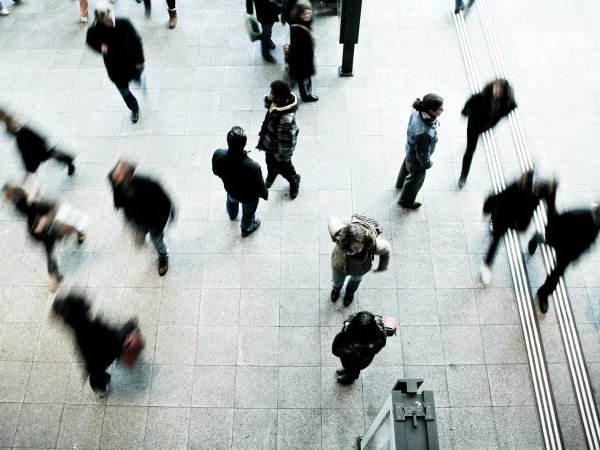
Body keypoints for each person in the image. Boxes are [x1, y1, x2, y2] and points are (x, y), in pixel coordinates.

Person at [52, 293, 143, 398]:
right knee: (129, 327)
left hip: (95, 362)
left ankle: (100, 390)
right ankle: (134, 328)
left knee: (96, 376)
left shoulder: (76, 330)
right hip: (111, 349)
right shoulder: (95, 324)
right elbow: (113, 335)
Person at [3, 185, 87, 292]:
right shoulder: (34, 205)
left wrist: (44, 221)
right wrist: (46, 220)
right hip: (47, 230)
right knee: (67, 228)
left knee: (49, 251)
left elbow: (52, 209)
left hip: (41, 231)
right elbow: (55, 208)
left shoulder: (26, 208)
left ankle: (54, 277)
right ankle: (80, 234)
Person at [480, 170, 557, 285]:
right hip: (505, 213)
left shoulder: (548, 190)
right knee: (496, 238)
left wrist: (556, 225)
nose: (537, 191)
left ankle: (494, 219)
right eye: (536, 186)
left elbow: (551, 209)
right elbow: (501, 197)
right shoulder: (518, 185)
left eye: (541, 188)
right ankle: (487, 265)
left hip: (522, 219)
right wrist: (488, 206)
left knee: (520, 229)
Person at [529, 203, 600, 314]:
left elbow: (588, 241)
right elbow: (561, 220)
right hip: (561, 242)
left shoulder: (597, 225)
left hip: (568, 253)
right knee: (554, 268)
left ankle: (543, 293)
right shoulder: (581, 214)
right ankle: (538, 238)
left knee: (556, 275)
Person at [108, 160, 174, 276]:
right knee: (139, 236)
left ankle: (163, 256)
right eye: (116, 171)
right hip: (136, 218)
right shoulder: (114, 180)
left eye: (119, 173)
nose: (115, 174)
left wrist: (164, 219)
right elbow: (118, 195)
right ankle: (144, 238)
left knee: (156, 238)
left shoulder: (147, 183)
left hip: (153, 218)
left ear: (128, 175)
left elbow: (165, 200)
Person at [86, 5, 146, 123]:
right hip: (115, 68)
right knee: (124, 91)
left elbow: (137, 40)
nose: (112, 21)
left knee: (136, 77)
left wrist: (140, 61)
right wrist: (101, 48)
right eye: (108, 20)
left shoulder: (124, 23)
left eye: (112, 17)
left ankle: (138, 79)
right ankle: (134, 108)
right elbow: (90, 41)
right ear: (100, 20)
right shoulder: (95, 31)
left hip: (131, 63)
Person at [458, 79, 516, 188]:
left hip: (487, 126)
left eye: (500, 90)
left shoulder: (505, 102)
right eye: (496, 87)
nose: (497, 91)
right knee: (470, 150)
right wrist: (466, 113)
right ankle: (463, 176)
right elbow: (467, 107)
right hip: (474, 127)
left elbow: (507, 109)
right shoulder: (479, 98)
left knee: (471, 148)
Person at [212, 126, 268, 237]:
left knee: (231, 201)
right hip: (248, 198)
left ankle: (232, 215)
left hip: (230, 189)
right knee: (248, 213)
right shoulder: (253, 167)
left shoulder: (218, 154)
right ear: (245, 144)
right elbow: (259, 186)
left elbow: (216, 171)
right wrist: (265, 195)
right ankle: (246, 228)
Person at [328, 215, 390, 306]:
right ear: (348, 242)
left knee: (355, 281)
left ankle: (349, 294)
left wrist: (382, 266)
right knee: (337, 281)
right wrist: (340, 227)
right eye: (356, 247)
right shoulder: (340, 236)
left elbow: (386, 248)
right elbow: (332, 220)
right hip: (339, 264)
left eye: (362, 246)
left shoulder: (372, 243)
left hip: (360, 269)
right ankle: (336, 289)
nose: (359, 250)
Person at [396, 94, 444, 209]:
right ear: (431, 111)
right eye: (440, 109)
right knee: (415, 179)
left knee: (407, 166)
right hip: (418, 159)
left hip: (410, 148)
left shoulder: (417, 111)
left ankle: (400, 183)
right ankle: (406, 201)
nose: (442, 110)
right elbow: (422, 154)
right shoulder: (424, 133)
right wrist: (427, 163)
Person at [257, 80, 301, 199]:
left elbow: (287, 143)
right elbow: (271, 107)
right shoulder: (278, 103)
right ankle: (272, 173)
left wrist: (281, 157)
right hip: (271, 144)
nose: (269, 95)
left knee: (285, 168)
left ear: (279, 98)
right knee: (269, 162)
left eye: (272, 94)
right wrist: (269, 100)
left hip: (280, 151)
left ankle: (294, 181)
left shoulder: (286, 119)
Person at [0, 109, 76, 177]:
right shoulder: (10, 122)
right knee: (34, 165)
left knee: (43, 158)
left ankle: (67, 159)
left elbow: (23, 131)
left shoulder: (14, 122)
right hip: (27, 144)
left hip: (29, 143)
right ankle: (67, 160)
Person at [332, 311, 387, 384]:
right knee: (348, 366)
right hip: (352, 357)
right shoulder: (372, 323)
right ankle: (346, 369)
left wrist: (356, 350)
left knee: (353, 370)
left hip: (360, 360)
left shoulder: (375, 340)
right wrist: (347, 322)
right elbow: (352, 316)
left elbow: (336, 349)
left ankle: (349, 378)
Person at [288, 2, 318, 102]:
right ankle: (305, 96)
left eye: (308, 13)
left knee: (304, 76)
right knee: (302, 77)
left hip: (305, 57)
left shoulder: (304, 22)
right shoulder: (296, 28)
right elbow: (297, 47)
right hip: (300, 59)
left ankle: (302, 87)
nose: (307, 16)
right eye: (304, 14)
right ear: (299, 14)